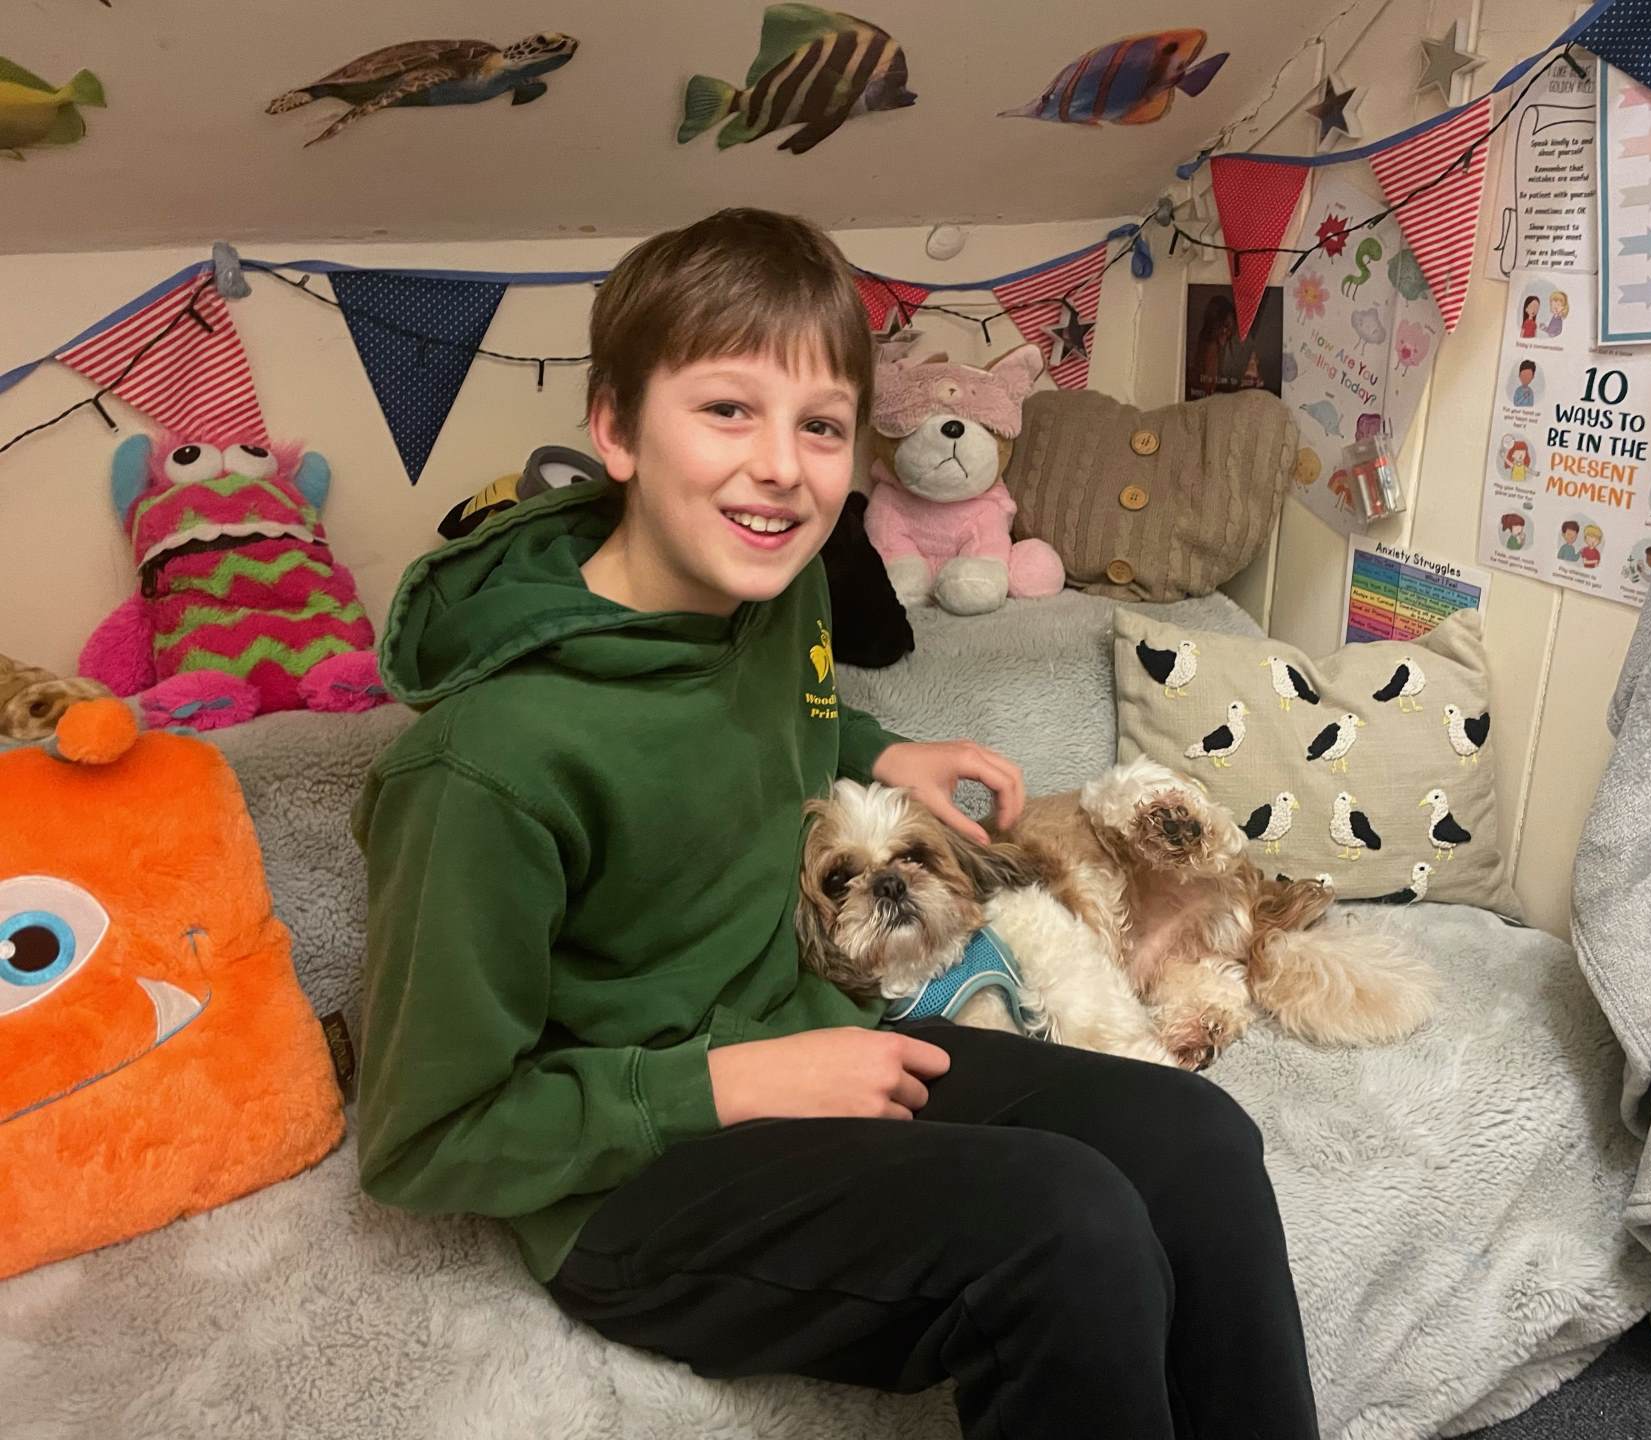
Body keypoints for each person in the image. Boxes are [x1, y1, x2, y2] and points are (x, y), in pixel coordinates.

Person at [350, 207, 1319, 1440]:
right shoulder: (485, 767)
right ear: (616, 429)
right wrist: (728, 1083)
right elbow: (425, 1142)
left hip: (819, 1041)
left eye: (820, 425)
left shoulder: (780, 587)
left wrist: (876, 750)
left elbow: (761, 726)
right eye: (727, 410)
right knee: (1068, 1229)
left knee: (1197, 1142)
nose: (781, 468)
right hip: (634, 1182)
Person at [1188, 293, 1263, 398]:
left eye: (1227, 325)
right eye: (1219, 326)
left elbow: (1251, 372)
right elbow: (1207, 383)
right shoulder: (1209, 343)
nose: (1224, 330)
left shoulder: (1242, 336)